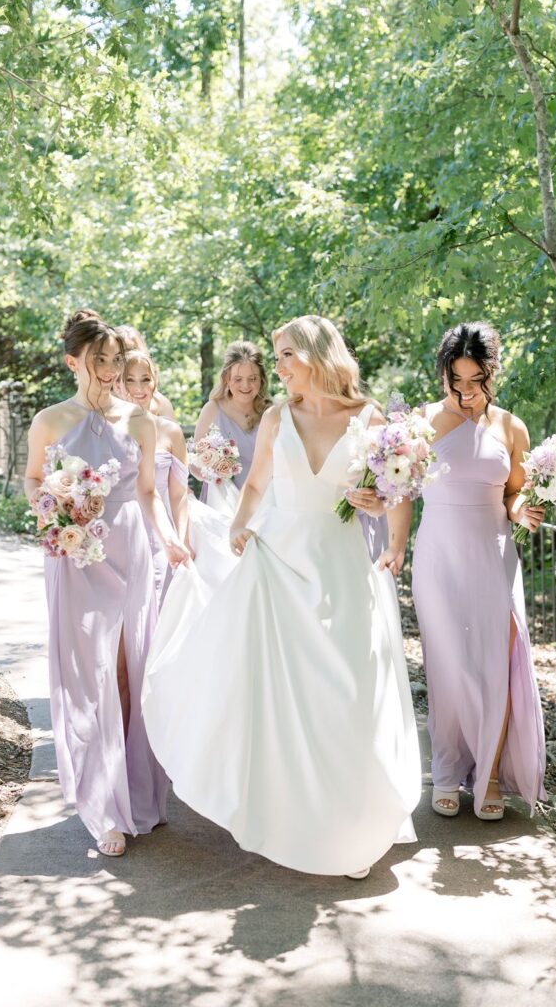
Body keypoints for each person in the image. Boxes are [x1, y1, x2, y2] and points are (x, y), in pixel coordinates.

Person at [142, 315, 421, 878]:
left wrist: (393, 537)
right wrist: (239, 526)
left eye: (288, 355)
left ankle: (352, 828)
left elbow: (397, 486)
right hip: (279, 561)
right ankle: (290, 814)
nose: (281, 367)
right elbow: (255, 485)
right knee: (281, 695)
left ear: (318, 354)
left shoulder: (367, 419)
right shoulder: (275, 416)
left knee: (347, 692)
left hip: (340, 565)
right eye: (279, 357)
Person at [25, 310, 190, 857]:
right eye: (100, 362)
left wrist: (168, 538)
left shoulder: (140, 423)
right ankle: (102, 806)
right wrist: (55, 514)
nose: (112, 371)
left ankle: (133, 795)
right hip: (74, 552)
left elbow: (148, 494)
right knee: (87, 676)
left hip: (128, 547)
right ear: (74, 361)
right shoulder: (49, 420)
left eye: (117, 361)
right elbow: (33, 480)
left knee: (128, 669)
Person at [411, 322, 546, 820]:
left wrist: (521, 510)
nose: (466, 393)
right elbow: (398, 487)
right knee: (447, 664)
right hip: (439, 554)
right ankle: (447, 770)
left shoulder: (511, 427)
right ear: (443, 375)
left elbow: (516, 491)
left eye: (476, 382)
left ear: (493, 375)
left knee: (495, 662)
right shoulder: (422, 422)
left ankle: (488, 773)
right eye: (456, 381)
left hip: (493, 553)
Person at [123, 350, 189, 607]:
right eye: (130, 380)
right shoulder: (107, 428)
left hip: (162, 529)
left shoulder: (170, 432)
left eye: (145, 379)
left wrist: (181, 538)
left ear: (155, 382)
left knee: (163, 600)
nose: (139, 388)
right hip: (125, 526)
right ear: (118, 382)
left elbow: (179, 493)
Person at [194, 340, 272, 512]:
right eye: (238, 379)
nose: (245, 386)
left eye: (252, 379)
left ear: (261, 379)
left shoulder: (272, 413)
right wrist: (213, 473)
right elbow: (194, 463)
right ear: (226, 379)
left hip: (263, 503)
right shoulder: (212, 410)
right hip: (221, 502)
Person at [114, 325, 176, 421]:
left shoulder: (160, 403)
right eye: (120, 355)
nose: (128, 358)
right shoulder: (102, 400)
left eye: (132, 351)